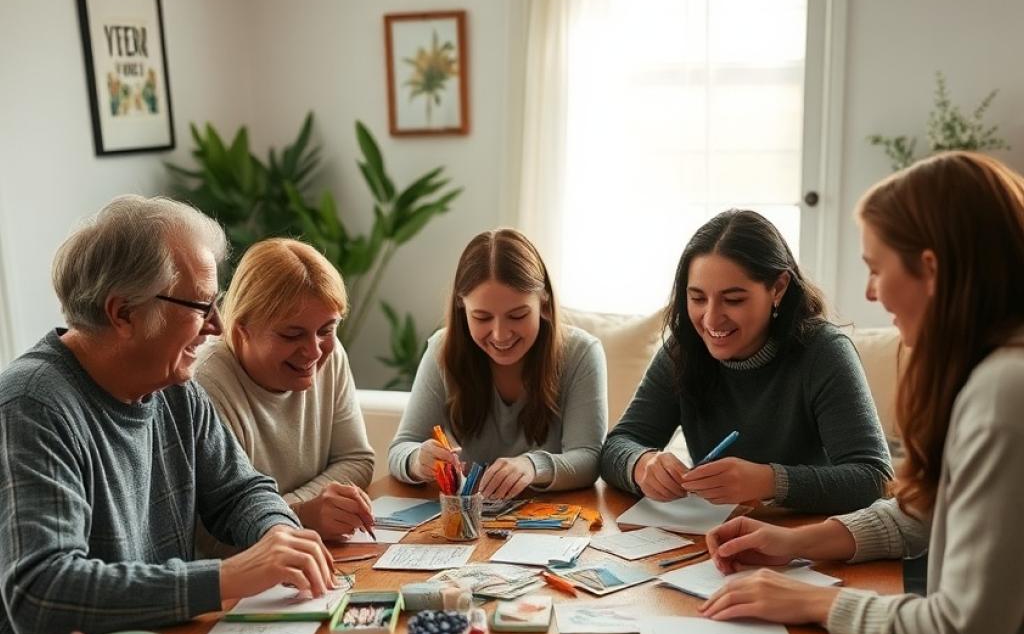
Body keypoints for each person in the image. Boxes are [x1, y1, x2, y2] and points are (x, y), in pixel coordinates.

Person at [701, 152, 1024, 634]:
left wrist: (815, 599)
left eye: (877, 269)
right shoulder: (995, 368)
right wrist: (797, 541)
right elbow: (921, 510)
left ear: (931, 269)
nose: (872, 293)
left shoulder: (1004, 392)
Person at [0, 196, 336, 634]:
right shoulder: (33, 405)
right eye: (202, 306)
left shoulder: (172, 386)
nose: (218, 327)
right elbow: (41, 592)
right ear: (124, 314)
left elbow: (238, 491)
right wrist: (227, 577)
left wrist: (279, 535)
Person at [600, 209, 891, 513]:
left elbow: (874, 478)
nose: (711, 319)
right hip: (711, 537)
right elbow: (617, 445)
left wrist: (769, 481)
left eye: (734, 300)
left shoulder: (824, 352)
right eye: (698, 298)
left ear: (778, 288)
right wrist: (642, 464)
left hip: (806, 537)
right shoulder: (684, 349)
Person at [388, 228, 607, 499]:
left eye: (517, 316)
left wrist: (532, 465)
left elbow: (590, 459)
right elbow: (401, 449)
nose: (501, 334)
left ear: (545, 304)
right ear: (461, 307)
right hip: (474, 523)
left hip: (555, 520)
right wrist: (417, 461)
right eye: (481, 318)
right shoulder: (441, 349)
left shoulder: (582, 353)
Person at [196, 239, 375, 544]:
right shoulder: (205, 385)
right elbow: (206, 535)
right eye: (292, 334)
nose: (313, 351)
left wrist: (283, 514)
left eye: (327, 330)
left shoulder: (328, 355)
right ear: (242, 330)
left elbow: (357, 460)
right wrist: (300, 515)